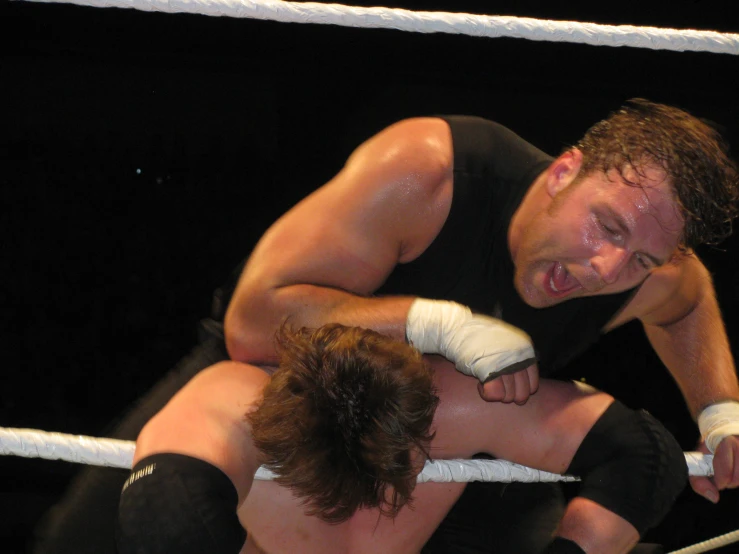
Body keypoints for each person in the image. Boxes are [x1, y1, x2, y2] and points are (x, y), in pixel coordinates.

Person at [34, 99, 739, 553]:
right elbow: (254, 322)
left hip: (456, 461)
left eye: (639, 256)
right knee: (104, 533)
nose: (604, 266)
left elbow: (685, 305)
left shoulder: (648, 273)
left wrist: (720, 414)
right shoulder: (428, 174)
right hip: (276, 397)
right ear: (562, 172)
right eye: (604, 224)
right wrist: (428, 323)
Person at [117, 323, 687, 554]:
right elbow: (163, 510)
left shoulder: (453, 401)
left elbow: (640, 455)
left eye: (413, 455)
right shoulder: (235, 405)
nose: (403, 484)